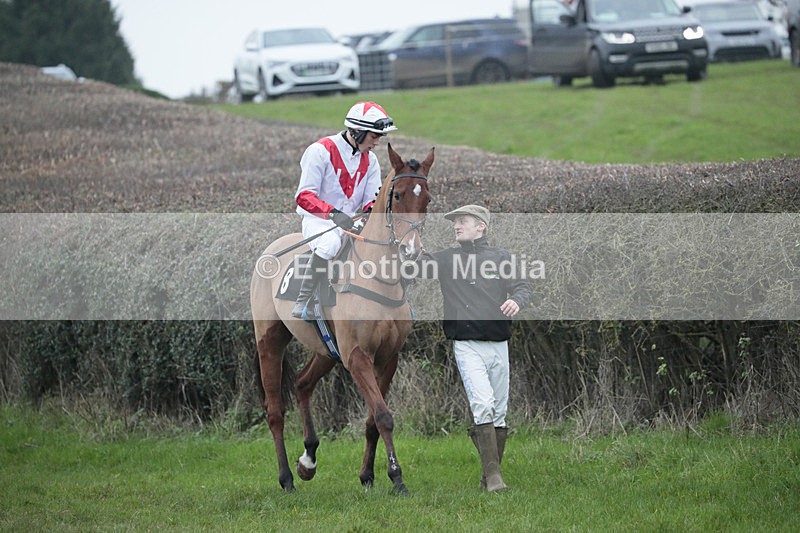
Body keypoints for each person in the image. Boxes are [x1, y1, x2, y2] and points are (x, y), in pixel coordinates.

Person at [421, 205, 531, 492]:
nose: (456, 226)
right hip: (466, 344)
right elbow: (414, 265)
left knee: (500, 411)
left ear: (481, 226)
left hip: (499, 342)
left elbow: (522, 286)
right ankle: (495, 479)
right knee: (482, 404)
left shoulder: (501, 257)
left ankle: (488, 477)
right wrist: (407, 239)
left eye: (463, 221)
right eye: (455, 222)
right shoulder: (446, 259)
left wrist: (517, 300)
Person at [291, 101, 398, 319]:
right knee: (330, 244)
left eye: (379, 137)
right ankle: (304, 300)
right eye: (374, 136)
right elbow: (303, 196)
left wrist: (367, 215)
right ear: (357, 131)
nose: (376, 142)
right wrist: (333, 214)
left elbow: (372, 200)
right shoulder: (320, 151)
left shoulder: (371, 160)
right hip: (319, 221)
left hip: (350, 221)